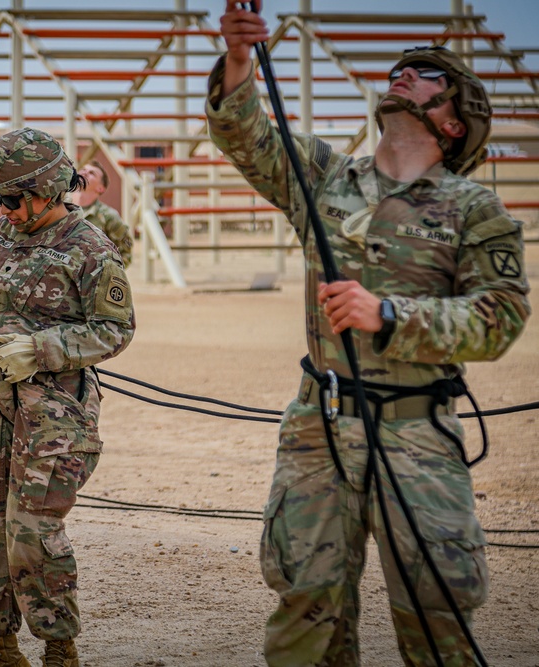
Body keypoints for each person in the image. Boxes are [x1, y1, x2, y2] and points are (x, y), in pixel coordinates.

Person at [207, 4, 531, 665]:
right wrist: (239, 59)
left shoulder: (474, 209)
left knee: (436, 616)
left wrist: (389, 314)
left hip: (418, 436)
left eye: (427, 74)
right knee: (306, 615)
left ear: (454, 122)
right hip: (318, 427)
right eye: (401, 69)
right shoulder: (324, 175)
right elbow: (246, 137)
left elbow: (499, 318)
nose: (403, 73)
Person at [0, 127, 135, 667]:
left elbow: (114, 329)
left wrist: (40, 350)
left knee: (32, 529)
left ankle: (59, 649)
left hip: (55, 412)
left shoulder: (90, 249)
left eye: (14, 199)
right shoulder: (1, 235)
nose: (5, 210)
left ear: (48, 189)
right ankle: (0, 648)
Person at [72, 160, 133, 267]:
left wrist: (106, 272)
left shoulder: (109, 216)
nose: (84, 172)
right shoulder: (58, 207)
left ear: (100, 188)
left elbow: (125, 254)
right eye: (83, 169)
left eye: (92, 173)